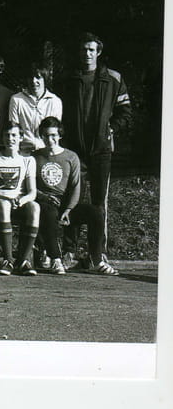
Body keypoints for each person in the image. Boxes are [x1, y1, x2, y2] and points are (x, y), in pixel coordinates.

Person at [57, 31, 132, 264]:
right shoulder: (69, 78)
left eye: (91, 49)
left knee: (99, 202)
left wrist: (111, 128)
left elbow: (125, 110)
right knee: (72, 198)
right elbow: (58, 110)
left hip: (101, 149)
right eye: (83, 49)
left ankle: (97, 253)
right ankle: (69, 251)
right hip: (74, 149)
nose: (87, 54)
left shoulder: (113, 78)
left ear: (98, 52)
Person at [34, 116, 117, 275]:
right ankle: (55, 259)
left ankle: (96, 260)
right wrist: (43, 197)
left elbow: (75, 186)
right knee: (48, 213)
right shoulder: (35, 157)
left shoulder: (71, 157)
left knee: (96, 213)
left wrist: (69, 209)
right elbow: (29, 186)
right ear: (41, 136)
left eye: (53, 135)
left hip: (65, 204)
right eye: (46, 135)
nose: (50, 140)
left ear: (60, 135)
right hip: (45, 203)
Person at [0, 122, 40, 276]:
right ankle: (8, 260)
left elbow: (32, 192)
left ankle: (23, 260)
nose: (10, 139)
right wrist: (7, 199)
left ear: (21, 137)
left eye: (14, 135)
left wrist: (21, 200)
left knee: (35, 207)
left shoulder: (28, 160)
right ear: (2, 138)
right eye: (7, 135)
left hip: (19, 202)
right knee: (4, 205)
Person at [7, 62, 63, 154]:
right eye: (30, 78)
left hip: (46, 151)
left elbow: (54, 131)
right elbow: (14, 128)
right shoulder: (16, 99)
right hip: (23, 151)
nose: (33, 81)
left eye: (38, 77)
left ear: (45, 79)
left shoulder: (55, 101)